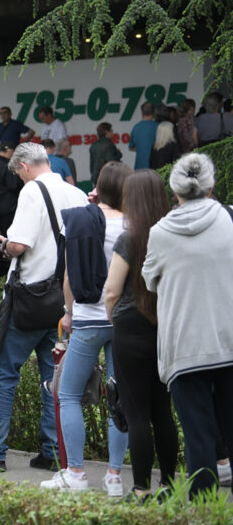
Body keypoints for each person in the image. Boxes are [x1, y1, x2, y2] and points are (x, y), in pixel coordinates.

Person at [0, 142, 87, 472]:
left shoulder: (32, 191)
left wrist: (5, 245)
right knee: (55, 380)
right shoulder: (75, 193)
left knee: (3, 375)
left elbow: (20, 244)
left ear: (23, 167)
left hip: (30, 300)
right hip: (65, 303)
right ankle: (51, 451)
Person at [142, 153, 233, 498]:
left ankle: (202, 511)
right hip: (229, 340)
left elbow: (150, 280)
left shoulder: (160, 232)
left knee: (198, 438)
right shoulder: (229, 217)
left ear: (175, 191)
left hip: (184, 346)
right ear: (210, 186)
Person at [40, 161, 131, 495]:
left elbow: (68, 275)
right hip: (124, 320)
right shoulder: (137, 224)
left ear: (99, 186)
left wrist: (67, 312)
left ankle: (76, 474)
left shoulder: (81, 220)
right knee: (118, 399)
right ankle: (115, 477)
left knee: (68, 394)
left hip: (89, 318)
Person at [102, 170, 179, 502]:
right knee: (163, 410)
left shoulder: (129, 239)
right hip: (166, 328)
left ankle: (141, 488)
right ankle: (170, 486)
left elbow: (111, 291)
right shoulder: (173, 237)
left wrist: (115, 320)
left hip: (130, 329)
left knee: (136, 413)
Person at [129, 103, 160, 170]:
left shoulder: (136, 127)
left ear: (142, 112)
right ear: (154, 112)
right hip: (154, 168)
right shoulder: (159, 127)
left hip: (139, 168)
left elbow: (131, 147)